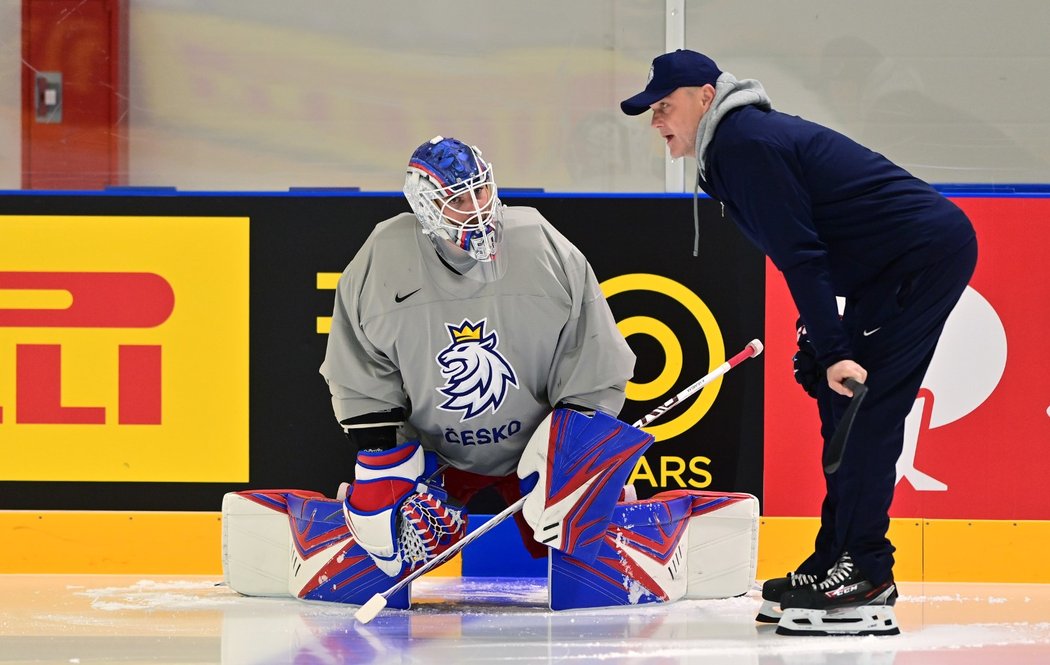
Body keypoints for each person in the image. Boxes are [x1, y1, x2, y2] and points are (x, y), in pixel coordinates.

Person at [620, 50, 977, 635]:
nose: (657, 121)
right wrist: (822, 337)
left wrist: (835, 348)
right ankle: (834, 556)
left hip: (919, 259)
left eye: (665, 106)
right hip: (881, 269)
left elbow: (801, 254)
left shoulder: (744, 144)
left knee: (867, 408)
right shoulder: (733, 148)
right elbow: (818, 243)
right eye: (651, 111)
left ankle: (866, 569)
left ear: (705, 97)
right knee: (842, 408)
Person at [319, 135, 637, 577]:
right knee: (381, 525)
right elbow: (361, 367)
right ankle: (369, 506)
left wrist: (577, 451)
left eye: (481, 190)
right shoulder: (384, 255)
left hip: (537, 446)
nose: (477, 207)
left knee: (587, 527)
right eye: (458, 199)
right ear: (426, 206)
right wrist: (380, 463)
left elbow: (590, 350)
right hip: (433, 452)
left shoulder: (539, 242)